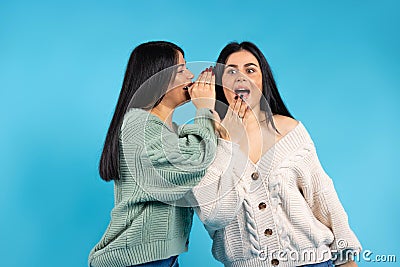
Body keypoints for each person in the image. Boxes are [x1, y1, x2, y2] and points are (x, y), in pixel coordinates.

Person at [189, 42, 362, 267]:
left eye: (250, 70)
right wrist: (229, 140)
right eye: (231, 71)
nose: (241, 77)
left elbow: (324, 199)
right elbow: (214, 215)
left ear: (263, 81)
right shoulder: (204, 140)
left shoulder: (290, 131)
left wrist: (346, 260)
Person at [88, 41, 218, 267]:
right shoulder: (139, 124)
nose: (190, 75)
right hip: (138, 260)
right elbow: (194, 161)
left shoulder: (168, 131)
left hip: (160, 258)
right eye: (181, 70)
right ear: (158, 77)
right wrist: (204, 110)